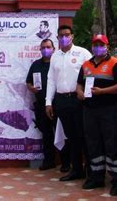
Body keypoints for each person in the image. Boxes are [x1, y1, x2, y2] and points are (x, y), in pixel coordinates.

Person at [77, 34, 117, 196]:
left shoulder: (115, 64)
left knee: (112, 145)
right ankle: (96, 177)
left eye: (101, 45)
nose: (98, 47)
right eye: (95, 44)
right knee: (93, 144)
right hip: (90, 110)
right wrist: (79, 92)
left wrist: (103, 91)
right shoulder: (86, 65)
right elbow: (79, 83)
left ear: (107, 47)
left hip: (110, 110)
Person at [45, 24, 92, 181]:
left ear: (72, 36)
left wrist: (87, 94)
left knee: (83, 135)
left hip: (78, 100)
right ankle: (76, 169)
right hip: (61, 100)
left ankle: (91, 170)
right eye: (61, 36)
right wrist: (48, 102)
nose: (64, 38)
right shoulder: (55, 56)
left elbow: (92, 74)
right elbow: (51, 80)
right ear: (57, 38)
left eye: (67, 35)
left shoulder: (83, 53)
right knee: (70, 137)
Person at [26, 39, 69, 171]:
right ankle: (49, 161)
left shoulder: (57, 64)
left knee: (62, 133)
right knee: (46, 134)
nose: (46, 49)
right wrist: (31, 87)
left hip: (58, 104)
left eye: (48, 47)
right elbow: (28, 82)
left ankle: (65, 162)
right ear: (40, 50)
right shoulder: (36, 65)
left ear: (54, 48)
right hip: (41, 105)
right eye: (43, 47)